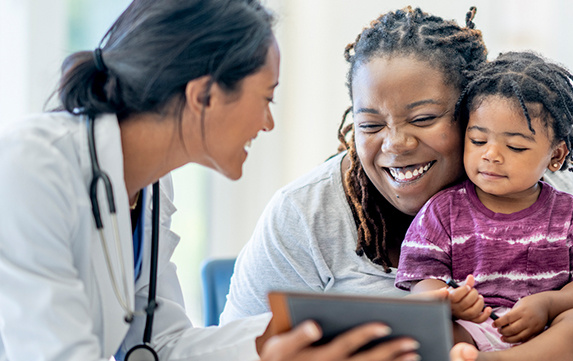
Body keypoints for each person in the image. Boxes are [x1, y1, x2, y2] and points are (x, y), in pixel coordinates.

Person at [0, 1, 422, 360]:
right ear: (204, 95)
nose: (268, 123)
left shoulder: (149, 187)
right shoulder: (31, 167)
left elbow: (159, 345)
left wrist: (281, 340)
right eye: (266, 98)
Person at [222, 5, 573, 353]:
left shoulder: (555, 195)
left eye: (425, 118)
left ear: (474, 110)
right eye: (370, 125)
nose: (395, 144)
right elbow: (235, 346)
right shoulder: (304, 213)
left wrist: (551, 323)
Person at [394, 51, 573, 361]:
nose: (492, 155)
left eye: (515, 147)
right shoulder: (441, 211)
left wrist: (548, 305)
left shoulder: (571, 216)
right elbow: (421, 283)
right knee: (414, 326)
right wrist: (449, 300)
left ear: (556, 155)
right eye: (478, 140)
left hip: (546, 336)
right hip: (469, 331)